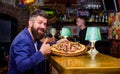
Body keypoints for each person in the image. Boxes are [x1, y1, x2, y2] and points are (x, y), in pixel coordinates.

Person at [8, 9, 67, 74]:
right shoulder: (23, 39)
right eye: (39, 22)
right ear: (30, 23)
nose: (43, 26)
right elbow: (22, 66)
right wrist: (41, 53)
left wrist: (57, 43)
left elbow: (43, 46)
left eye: (45, 24)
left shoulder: (33, 37)